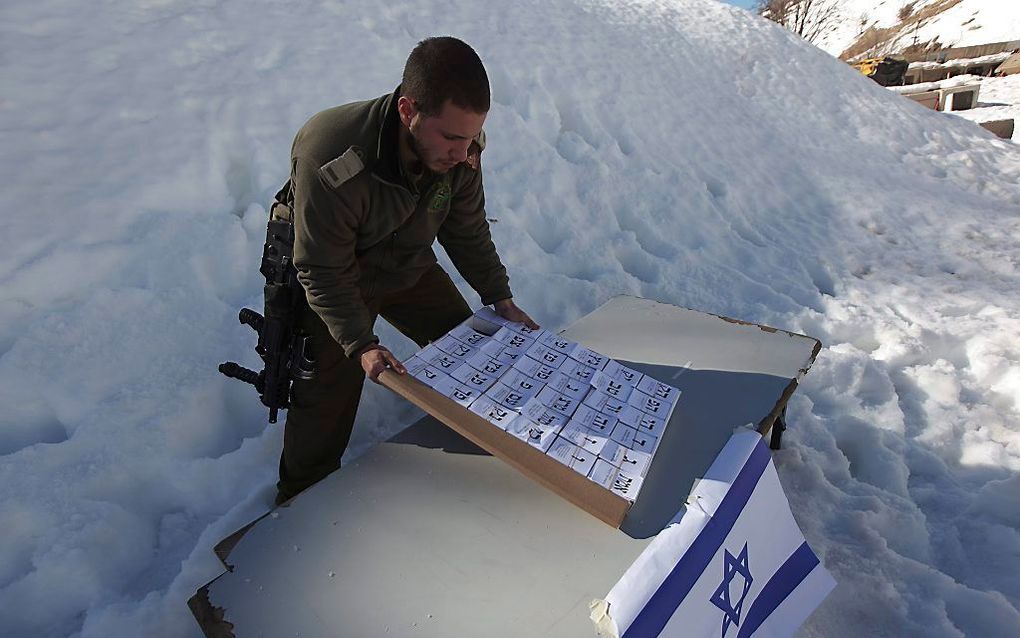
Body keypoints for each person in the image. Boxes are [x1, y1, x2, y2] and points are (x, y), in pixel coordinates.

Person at [273, 36, 537, 505]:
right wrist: (361, 344)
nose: (463, 153)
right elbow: (320, 267)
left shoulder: (460, 146)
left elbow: (467, 229)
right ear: (407, 110)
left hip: (406, 264)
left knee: (473, 351)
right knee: (326, 398)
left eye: (472, 136)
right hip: (338, 275)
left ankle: (520, 449)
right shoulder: (332, 152)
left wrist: (500, 297)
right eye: (452, 138)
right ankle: (297, 503)